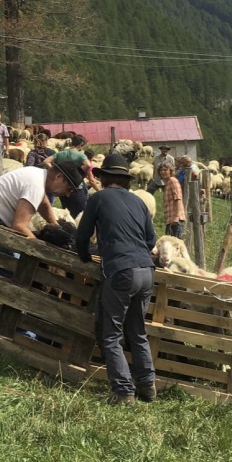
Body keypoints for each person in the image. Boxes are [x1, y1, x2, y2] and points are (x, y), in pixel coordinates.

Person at [75, 153, 158, 406]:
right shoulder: (139, 202)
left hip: (121, 271)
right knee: (137, 331)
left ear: (105, 177)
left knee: (110, 334)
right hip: (146, 270)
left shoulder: (97, 199)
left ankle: (123, 392)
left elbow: (82, 236)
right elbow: (151, 240)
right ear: (125, 180)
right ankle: (148, 386)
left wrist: (85, 258)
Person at [0, 158, 84, 237]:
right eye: (69, 188)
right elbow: (19, 226)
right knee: (10, 265)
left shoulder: (37, 174)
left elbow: (44, 203)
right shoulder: (35, 186)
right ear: (58, 177)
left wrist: (56, 226)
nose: (68, 194)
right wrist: (40, 251)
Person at [48, 135, 97, 216]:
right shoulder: (80, 155)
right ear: (80, 145)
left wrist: (55, 170)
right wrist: (80, 174)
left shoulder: (60, 154)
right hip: (76, 187)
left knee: (66, 212)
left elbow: (46, 161)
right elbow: (88, 165)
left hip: (62, 187)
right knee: (80, 212)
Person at [160, 163, 185, 238]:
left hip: (175, 220)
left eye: (165, 170)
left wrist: (176, 217)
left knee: (174, 245)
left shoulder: (173, 181)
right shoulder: (167, 183)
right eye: (161, 170)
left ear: (170, 171)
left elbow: (178, 199)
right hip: (170, 220)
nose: (163, 172)